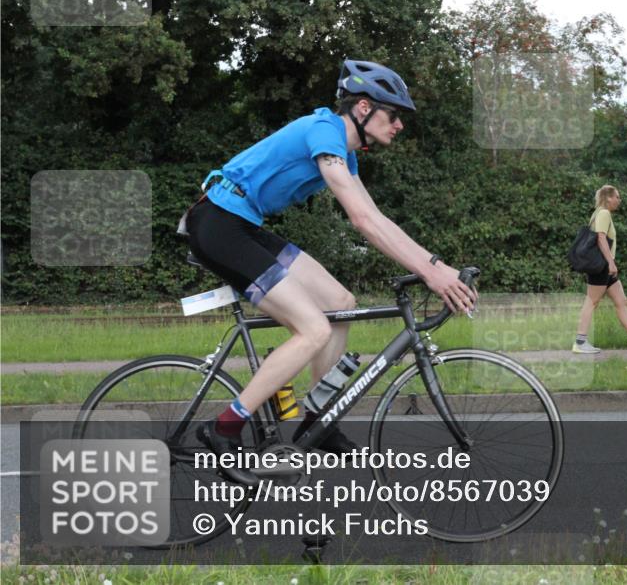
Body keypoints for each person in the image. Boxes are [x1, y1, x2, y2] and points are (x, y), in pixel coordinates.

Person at [184, 59, 477, 485]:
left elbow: (377, 221)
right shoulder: (324, 132)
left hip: (243, 224)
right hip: (219, 225)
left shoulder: (345, 155)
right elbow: (362, 220)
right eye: (393, 115)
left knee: (341, 304)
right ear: (363, 108)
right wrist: (433, 271)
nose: (399, 126)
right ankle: (223, 427)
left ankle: (317, 421)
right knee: (314, 330)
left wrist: (434, 264)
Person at [572, 185, 627, 354]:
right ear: (608, 197)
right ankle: (580, 342)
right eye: (617, 197)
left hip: (604, 266)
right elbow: (601, 239)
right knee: (592, 301)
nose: (619, 200)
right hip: (602, 265)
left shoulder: (598, 213)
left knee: (621, 301)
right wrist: (611, 262)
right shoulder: (603, 213)